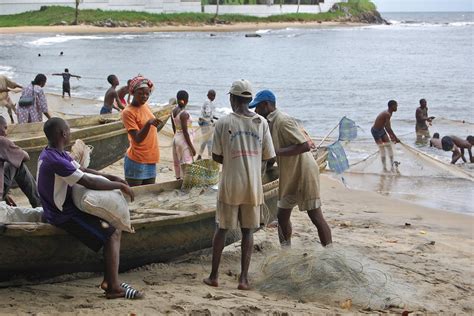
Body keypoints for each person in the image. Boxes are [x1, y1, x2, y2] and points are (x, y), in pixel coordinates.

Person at [37, 117, 142, 299]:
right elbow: (87, 181)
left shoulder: (53, 153)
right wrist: (119, 187)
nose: (70, 133)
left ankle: (109, 281)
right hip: (61, 215)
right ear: (63, 134)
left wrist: (112, 177)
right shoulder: (57, 161)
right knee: (113, 233)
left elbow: (84, 171)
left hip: (57, 207)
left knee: (108, 228)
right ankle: (113, 287)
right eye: (68, 130)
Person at [203, 80, 275, 290]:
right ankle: (243, 279)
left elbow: (216, 156)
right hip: (253, 186)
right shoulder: (261, 123)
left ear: (232, 99)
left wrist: (234, 157)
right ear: (250, 100)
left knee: (222, 229)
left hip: (230, 184)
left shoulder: (224, 123)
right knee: (248, 232)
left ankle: (214, 276)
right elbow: (269, 157)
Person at [251, 90, 332, 247]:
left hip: (304, 172)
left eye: (258, 108)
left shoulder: (283, 120)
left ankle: (330, 252)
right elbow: (272, 154)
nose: (255, 111)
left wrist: (275, 152)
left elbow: (304, 146)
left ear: (266, 105)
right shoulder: (269, 124)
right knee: (281, 216)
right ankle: (285, 251)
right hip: (289, 174)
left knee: (315, 215)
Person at [121, 76, 161, 186]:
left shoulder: (145, 106)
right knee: (136, 197)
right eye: (141, 93)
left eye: (147, 94)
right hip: (137, 161)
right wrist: (149, 124)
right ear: (133, 92)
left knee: (148, 196)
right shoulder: (128, 112)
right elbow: (137, 139)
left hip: (151, 159)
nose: (144, 96)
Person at [0, 115, 41, 208]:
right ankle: (39, 204)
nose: (6, 133)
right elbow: (26, 157)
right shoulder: (2, 141)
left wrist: (5, 196)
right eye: (5, 128)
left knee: (12, 163)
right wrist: (15, 149)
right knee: (18, 164)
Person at [171, 90, 196, 179]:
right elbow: (185, 132)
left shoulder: (173, 111)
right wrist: (192, 148)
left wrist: (176, 137)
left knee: (177, 160)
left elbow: (174, 128)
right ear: (186, 100)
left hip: (176, 138)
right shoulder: (184, 114)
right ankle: (187, 181)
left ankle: (178, 178)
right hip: (184, 140)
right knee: (187, 162)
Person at [371, 100, 400, 172]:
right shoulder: (387, 114)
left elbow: (386, 127)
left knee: (389, 147)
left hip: (381, 130)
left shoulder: (389, 113)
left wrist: (391, 136)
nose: (397, 107)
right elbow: (388, 128)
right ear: (391, 106)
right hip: (376, 131)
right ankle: (384, 168)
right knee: (382, 150)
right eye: (396, 105)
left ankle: (392, 165)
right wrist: (395, 138)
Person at [197, 89, 217, 160]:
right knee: (209, 141)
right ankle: (210, 157)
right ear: (209, 95)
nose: (214, 97)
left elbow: (208, 114)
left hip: (205, 123)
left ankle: (199, 155)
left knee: (205, 140)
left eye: (215, 96)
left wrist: (216, 118)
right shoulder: (208, 102)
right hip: (206, 124)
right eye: (213, 95)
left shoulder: (208, 102)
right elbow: (208, 113)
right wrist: (212, 119)